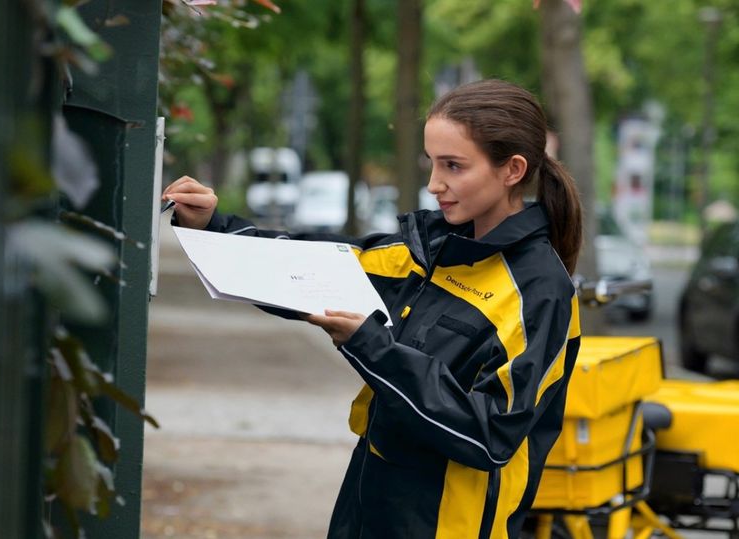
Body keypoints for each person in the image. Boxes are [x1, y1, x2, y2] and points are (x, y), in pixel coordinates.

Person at [162, 79, 583, 539]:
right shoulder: (428, 250)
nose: (434, 184)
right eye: (431, 163)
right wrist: (213, 227)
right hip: (367, 506)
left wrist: (375, 349)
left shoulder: (541, 292)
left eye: (453, 166)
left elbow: (489, 434)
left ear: (512, 170)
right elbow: (301, 268)